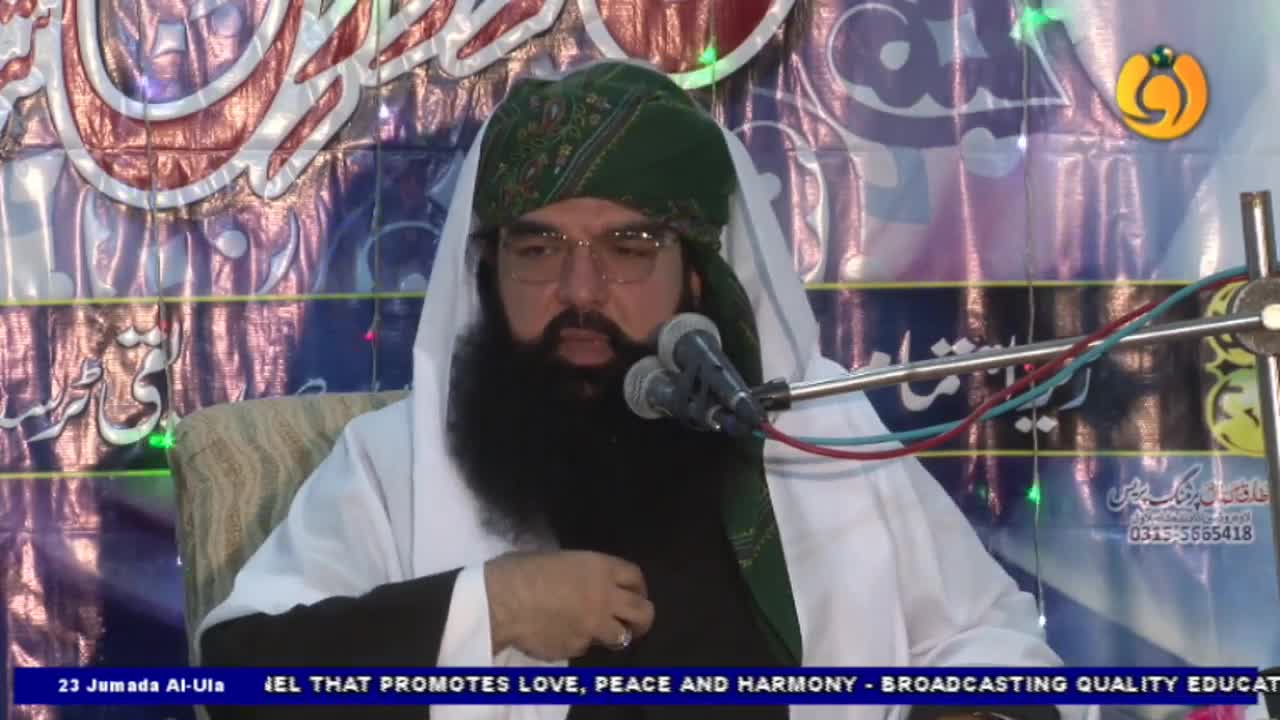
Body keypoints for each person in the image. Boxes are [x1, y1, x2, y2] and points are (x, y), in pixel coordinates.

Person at [198, 61, 1088, 720]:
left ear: (696, 276)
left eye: (629, 248)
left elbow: (982, 638)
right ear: (488, 270)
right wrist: (492, 605)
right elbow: (239, 670)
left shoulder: (812, 425)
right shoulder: (402, 462)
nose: (580, 293)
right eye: (537, 250)